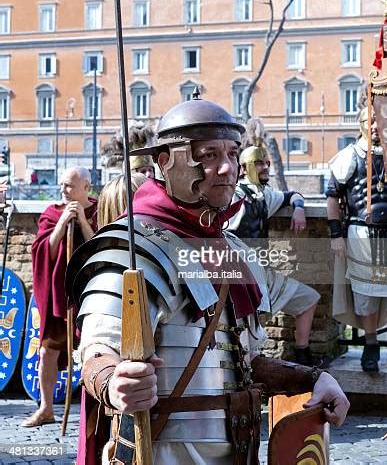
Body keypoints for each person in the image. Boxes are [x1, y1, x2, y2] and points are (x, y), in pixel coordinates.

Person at [66, 94, 349, 464]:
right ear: (165, 161)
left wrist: (312, 379)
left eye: (232, 153)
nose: (227, 167)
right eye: (209, 154)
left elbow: (239, 363)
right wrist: (114, 383)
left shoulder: (230, 249)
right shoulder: (132, 248)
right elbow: (97, 351)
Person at [326, 107, 387, 374]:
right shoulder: (348, 157)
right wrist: (335, 235)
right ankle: (370, 346)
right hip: (361, 235)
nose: (375, 125)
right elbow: (332, 198)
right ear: (362, 124)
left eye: (379, 120)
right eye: (370, 120)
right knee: (365, 294)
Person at [227, 145, 320, 365]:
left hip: (262, 273)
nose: (265, 167)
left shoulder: (264, 194)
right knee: (246, 333)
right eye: (259, 163)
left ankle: (302, 355)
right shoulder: (232, 196)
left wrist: (298, 208)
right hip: (238, 277)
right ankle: (246, 377)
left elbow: (293, 195)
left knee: (309, 298)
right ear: (244, 168)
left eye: (267, 163)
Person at [22, 166, 97, 427]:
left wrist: (84, 223)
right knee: (47, 352)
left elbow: (100, 247)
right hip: (59, 297)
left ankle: (96, 411)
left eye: (69, 186)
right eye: (62, 185)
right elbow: (44, 251)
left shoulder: (99, 210)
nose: (63, 190)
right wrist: (63, 222)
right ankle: (46, 408)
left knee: (95, 352)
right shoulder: (52, 213)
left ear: (86, 187)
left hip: (88, 295)